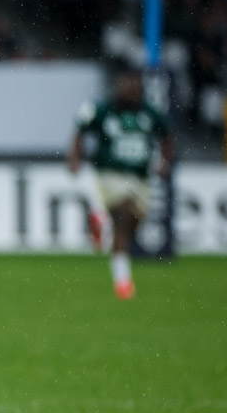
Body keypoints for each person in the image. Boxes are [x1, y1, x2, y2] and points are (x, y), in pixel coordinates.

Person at [68, 68, 174, 300]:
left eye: (133, 87)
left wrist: (164, 162)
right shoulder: (102, 111)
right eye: (125, 87)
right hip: (110, 175)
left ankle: (103, 228)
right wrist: (74, 158)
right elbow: (80, 131)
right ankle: (123, 282)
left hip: (140, 179)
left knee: (128, 228)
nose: (130, 91)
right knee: (123, 209)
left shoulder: (150, 114)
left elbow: (167, 137)